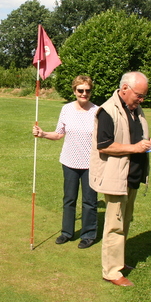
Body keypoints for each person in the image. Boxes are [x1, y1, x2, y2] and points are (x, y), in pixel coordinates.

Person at [89, 71, 151, 287]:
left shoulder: (136, 109)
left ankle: (118, 262)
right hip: (115, 177)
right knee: (114, 225)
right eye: (139, 95)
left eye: (143, 96)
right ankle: (111, 272)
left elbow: (136, 138)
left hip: (132, 177)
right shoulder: (108, 111)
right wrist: (135, 148)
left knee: (125, 221)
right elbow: (105, 145)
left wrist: (149, 142)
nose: (141, 100)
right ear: (125, 88)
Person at [33, 75, 99, 249]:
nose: (84, 94)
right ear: (74, 91)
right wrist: (43, 134)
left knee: (89, 201)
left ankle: (88, 234)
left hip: (90, 164)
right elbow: (59, 134)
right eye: (80, 90)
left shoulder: (97, 111)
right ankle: (67, 233)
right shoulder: (67, 109)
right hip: (69, 162)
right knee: (69, 199)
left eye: (87, 90)